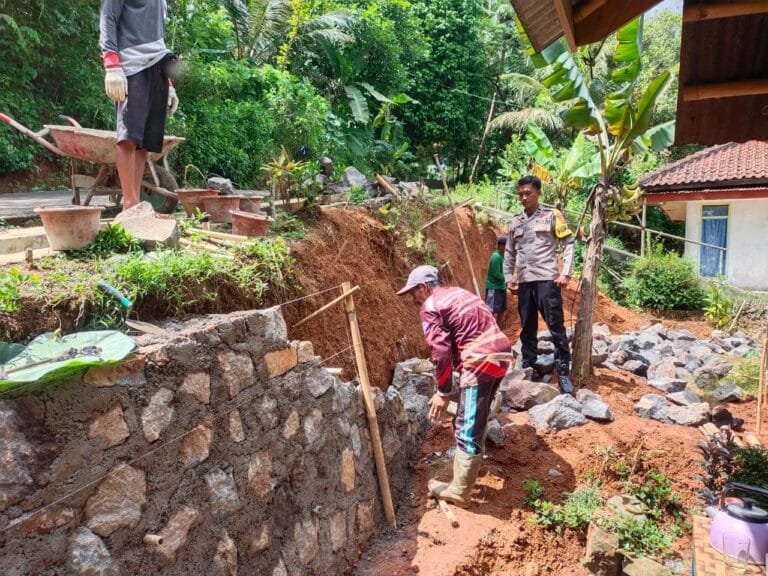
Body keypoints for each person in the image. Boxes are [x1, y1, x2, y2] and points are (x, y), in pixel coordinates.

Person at [397, 265, 511, 507]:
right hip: (500, 352)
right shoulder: (460, 294)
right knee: (475, 415)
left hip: (480, 359)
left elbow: (440, 352)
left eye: (413, 293)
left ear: (424, 287)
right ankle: (470, 471)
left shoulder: (431, 306)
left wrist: (442, 392)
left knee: (466, 424)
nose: (412, 300)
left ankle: (459, 490)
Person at [100, 0, 179, 211]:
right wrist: (112, 65)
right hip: (131, 67)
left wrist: (169, 83)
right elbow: (108, 18)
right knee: (128, 138)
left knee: (145, 142)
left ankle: (135, 207)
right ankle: (129, 205)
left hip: (158, 67)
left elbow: (159, 40)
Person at [504, 175, 575, 394]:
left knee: (556, 327)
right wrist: (508, 277)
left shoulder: (552, 215)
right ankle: (528, 367)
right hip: (525, 282)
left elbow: (569, 243)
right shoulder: (515, 222)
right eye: (521, 194)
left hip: (547, 280)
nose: (524, 197)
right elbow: (509, 252)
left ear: (538, 193)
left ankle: (563, 373)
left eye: (528, 193)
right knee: (528, 328)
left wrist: (566, 273)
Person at [485, 236, 508, 328]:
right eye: (507, 245)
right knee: (491, 310)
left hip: (501, 287)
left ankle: (498, 329)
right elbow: (495, 273)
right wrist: (508, 278)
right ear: (501, 246)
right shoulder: (496, 257)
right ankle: (488, 330)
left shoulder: (502, 256)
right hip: (494, 288)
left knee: (502, 310)